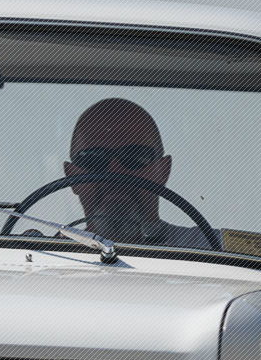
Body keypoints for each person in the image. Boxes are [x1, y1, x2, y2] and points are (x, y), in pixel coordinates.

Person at [64, 98, 213, 249]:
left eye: (135, 156)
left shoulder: (214, 251)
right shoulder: (51, 255)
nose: (115, 172)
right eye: (93, 159)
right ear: (71, 176)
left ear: (164, 170)